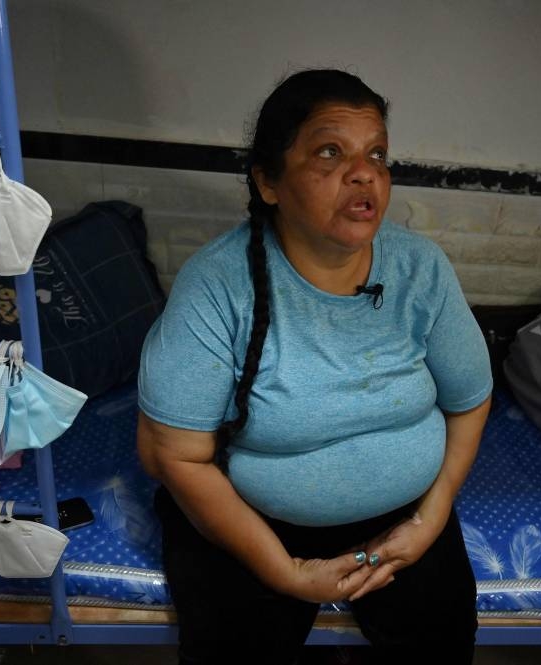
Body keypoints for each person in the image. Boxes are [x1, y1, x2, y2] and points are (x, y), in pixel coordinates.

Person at [136, 68, 492, 665]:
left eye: (377, 154)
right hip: (250, 521)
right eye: (331, 151)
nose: (365, 172)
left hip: (405, 515)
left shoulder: (420, 269)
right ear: (269, 182)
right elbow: (173, 454)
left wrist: (431, 519)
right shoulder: (218, 284)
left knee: (442, 645)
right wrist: (287, 573)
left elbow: (470, 400)